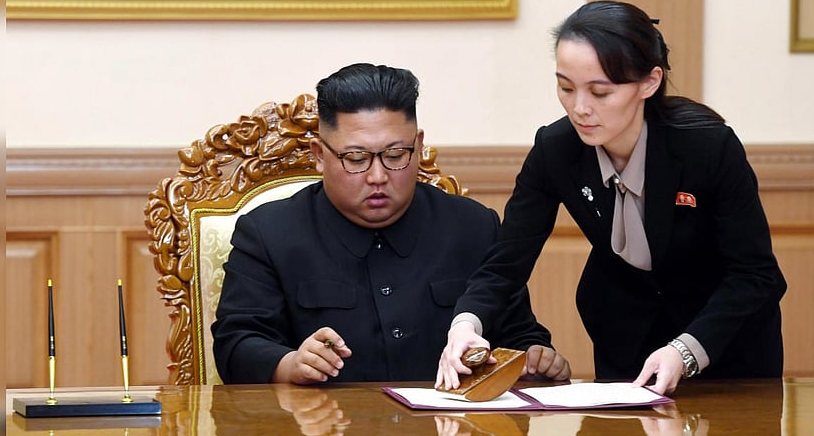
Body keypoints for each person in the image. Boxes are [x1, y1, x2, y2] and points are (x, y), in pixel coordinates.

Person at [436, 0, 786, 395]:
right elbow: (505, 264)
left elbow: (754, 273)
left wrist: (685, 351)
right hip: (626, 335)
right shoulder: (556, 150)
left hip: (725, 341)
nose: (579, 108)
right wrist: (465, 325)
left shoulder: (708, 148)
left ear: (649, 83)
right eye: (565, 87)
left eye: (600, 92)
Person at [211, 63, 571, 385]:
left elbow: (519, 334)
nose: (378, 176)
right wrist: (290, 363)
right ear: (319, 156)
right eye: (356, 159)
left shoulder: (473, 227)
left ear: (419, 146)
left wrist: (536, 355)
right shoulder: (268, 233)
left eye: (396, 155)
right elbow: (235, 345)